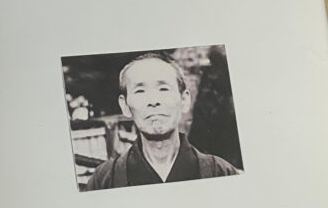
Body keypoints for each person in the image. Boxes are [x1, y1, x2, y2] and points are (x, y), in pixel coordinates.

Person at [85, 53, 239, 190]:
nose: (153, 101)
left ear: (184, 100)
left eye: (163, 89)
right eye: (140, 91)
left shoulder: (220, 172)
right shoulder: (105, 180)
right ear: (125, 106)